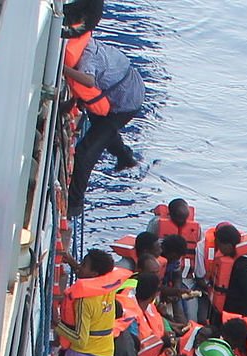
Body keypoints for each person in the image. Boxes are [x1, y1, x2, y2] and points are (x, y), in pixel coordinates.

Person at [62, 3, 144, 217]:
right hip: (115, 90)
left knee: (85, 153)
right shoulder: (83, 45)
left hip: (125, 103)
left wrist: (63, 69)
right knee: (101, 128)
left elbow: (88, 81)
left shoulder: (88, 58)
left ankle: (75, 206)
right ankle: (125, 157)